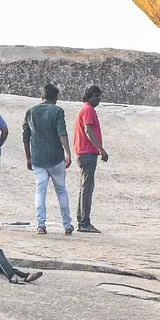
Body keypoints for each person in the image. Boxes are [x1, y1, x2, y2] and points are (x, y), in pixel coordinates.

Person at [23, 82, 73, 237]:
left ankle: (41, 225)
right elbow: (62, 133)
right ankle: (66, 225)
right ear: (55, 98)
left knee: (40, 190)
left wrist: (28, 157)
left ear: (42, 96)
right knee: (61, 190)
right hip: (55, 158)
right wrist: (68, 153)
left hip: (37, 158)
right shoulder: (57, 111)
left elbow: (26, 136)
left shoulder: (31, 111)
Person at [73, 87, 107, 233]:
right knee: (87, 188)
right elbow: (88, 130)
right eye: (96, 97)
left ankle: (82, 220)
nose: (98, 100)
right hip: (87, 152)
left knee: (84, 188)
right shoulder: (88, 110)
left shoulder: (85, 109)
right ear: (89, 97)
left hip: (83, 152)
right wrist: (101, 149)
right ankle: (84, 223)